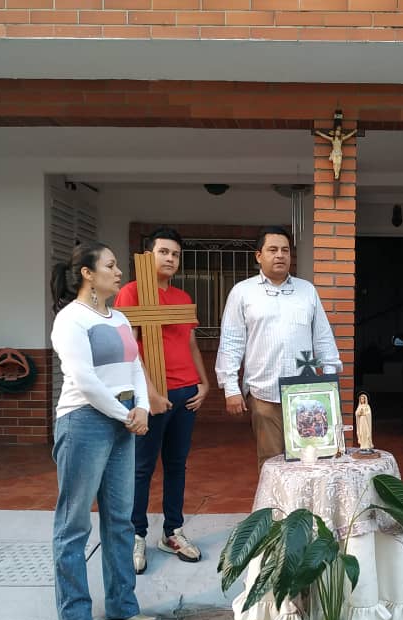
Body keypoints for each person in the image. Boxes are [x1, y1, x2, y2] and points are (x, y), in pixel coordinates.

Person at [50, 241, 156, 620]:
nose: (119, 272)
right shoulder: (70, 319)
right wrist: (126, 415)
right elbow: (85, 380)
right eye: (110, 266)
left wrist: (141, 407)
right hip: (85, 422)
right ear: (87, 274)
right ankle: (76, 615)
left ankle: (123, 606)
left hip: (123, 421)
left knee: (121, 520)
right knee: (74, 523)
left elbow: (135, 367)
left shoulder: (120, 318)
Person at [114, 227, 210, 574]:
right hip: (150, 396)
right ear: (148, 255)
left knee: (176, 465)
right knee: (141, 467)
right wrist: (150, 394)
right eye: (164, 252)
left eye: (175, 254)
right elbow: (128, 348)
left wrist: (203, 382)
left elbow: (190, 343)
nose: (170, 259)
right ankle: (135, 534)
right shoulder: (132, 292)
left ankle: (172, 532)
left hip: (186, 393)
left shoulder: (182, 297)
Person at [216, 226, 343, 470]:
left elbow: (323, 338)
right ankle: (274, 498)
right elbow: (231, 343)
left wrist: (329, 380)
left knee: (311, 460)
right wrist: (230, 387)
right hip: (264, 393)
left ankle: (306, 497)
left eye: (285, 250)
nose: (280, 255)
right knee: (271, 463)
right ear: (258, 255)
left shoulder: (307, 290)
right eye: (272, 250)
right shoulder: (243, 292)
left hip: (307, 394)